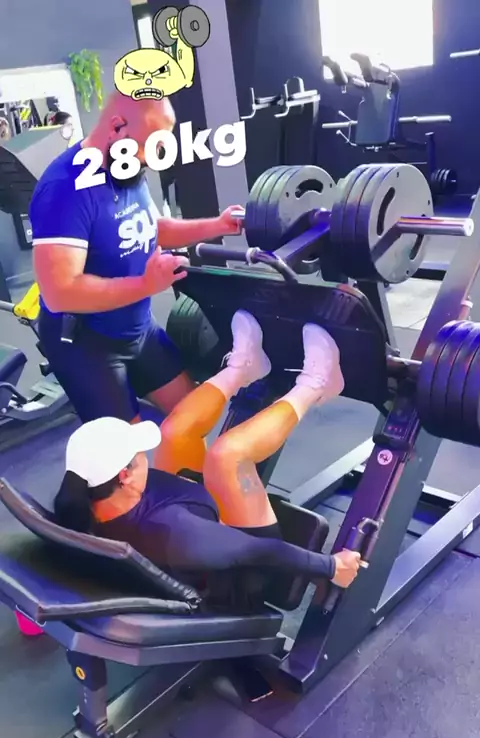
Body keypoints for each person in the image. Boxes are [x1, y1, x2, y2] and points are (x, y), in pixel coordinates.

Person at [54, 312, 361, 601]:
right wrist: (332, 567)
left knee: (174, 432)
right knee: (228, 455)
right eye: (138, 453)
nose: (144, 454)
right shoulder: (176, 532)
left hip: (188, 532)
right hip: (243, 575)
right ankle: (318, 386)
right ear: (125, 475)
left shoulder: (86, 500)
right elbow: (259, 553)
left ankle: (244, 368)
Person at [29, 91, 242, 430]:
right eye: (149, 146)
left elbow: (154, 228)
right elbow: (60, 293)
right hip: (87, 343)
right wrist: (145, 284)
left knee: (192, 421)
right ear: (117, 127)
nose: (151, 159)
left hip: (138, 328)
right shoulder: (63, 189)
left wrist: (218, 225)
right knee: (129, 457)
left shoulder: (127, 167)